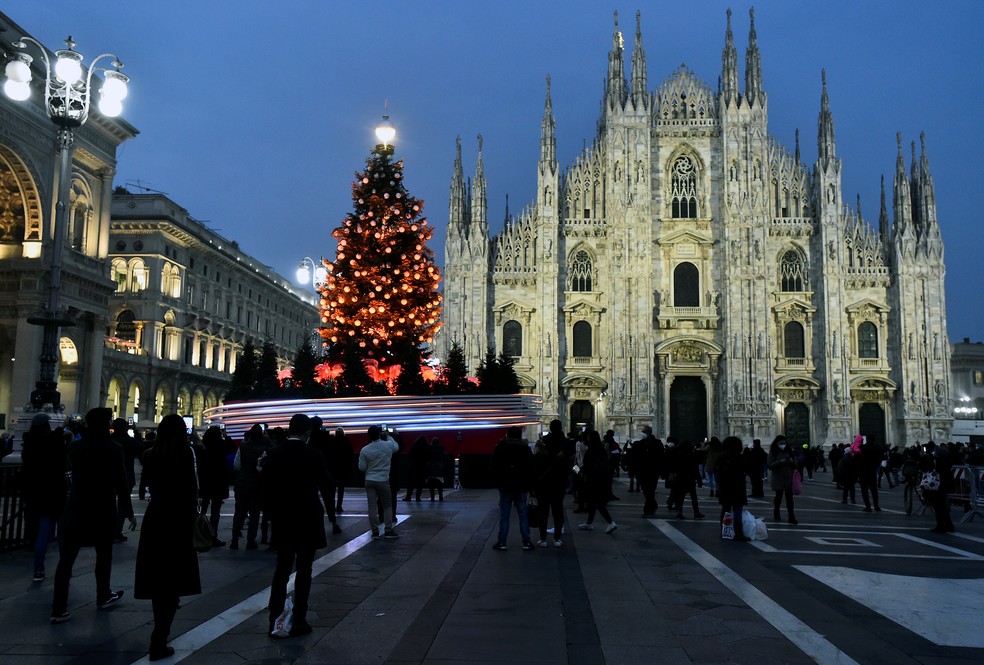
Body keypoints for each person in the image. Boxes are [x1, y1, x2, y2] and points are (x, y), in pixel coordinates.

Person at [51, 407, 135, 624]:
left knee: (66, 560)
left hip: (76, 507)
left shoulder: (74, 447)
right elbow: (122, 483)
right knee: (104, 556)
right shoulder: (113, 448)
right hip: (102, 508)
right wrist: (128, 512)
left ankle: (58, 608)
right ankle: (103, 594)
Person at [134, 414, 202, 661]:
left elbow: (148, 484)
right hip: (179, 519)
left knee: (157, 577)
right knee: (174, 578)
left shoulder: (149, 456)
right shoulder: (185, 455)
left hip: (156, 518)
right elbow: (193, 489)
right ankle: (159, 638)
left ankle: (159, 635)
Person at [262, 414, 335, 637]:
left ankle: (274, 618)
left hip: (283, 518)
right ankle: (299, 620)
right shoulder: (313, 454)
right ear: (307, 432)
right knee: (304, 570)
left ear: (289, 430)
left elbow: (264, 485)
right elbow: (327, 484)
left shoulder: (274, 454)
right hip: (307, 518)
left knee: (281, 570)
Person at [21, 413, 69, 582]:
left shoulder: (29, 442)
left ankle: (38, 570)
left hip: (36, 492)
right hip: (55, 492)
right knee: (63, 534)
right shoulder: (54, 442)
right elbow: (64, 462)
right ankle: (65, 569)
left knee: (42, 533)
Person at [491, 426, 535, 551]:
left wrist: (498, 482)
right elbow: (531, 468)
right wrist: (530, 485)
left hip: (505, 486)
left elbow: (494, 466)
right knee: (522, 513)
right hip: (521, 486)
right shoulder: (525, 449)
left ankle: (502, 542)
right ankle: (526, 541)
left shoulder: (501, 447)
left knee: (504, 514)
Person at [230, 424, 273, 549]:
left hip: (242, 483)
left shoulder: (243, 446)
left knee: (239, 513)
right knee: (254, 514)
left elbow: (236, 465)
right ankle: (250, 540)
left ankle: (234, 540)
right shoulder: (265, 448)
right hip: (256, 485)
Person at [359, 425, 400, 538]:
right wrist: (389, 436)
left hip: (369, 480)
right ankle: (388, 530)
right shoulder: (388, 445)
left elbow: (362, 467)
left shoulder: (365, 449)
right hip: (383, 480)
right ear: (379, 434)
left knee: (372, 506)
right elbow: (396, 447)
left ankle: (374, 531)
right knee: (387, 505)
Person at [533, 419, 570, 545]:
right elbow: (569, 464)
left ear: (550, 428)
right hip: (559, 481)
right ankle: (557, 538)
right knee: (557, 510)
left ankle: (543, 538)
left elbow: (537, 462)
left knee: (543, 510)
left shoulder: (544, 442)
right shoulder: (565, 443)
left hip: (544, 482)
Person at [199, 426, 235, 546]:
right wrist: (226, 436)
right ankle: (213, 536)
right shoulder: (222, 446)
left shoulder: (203, 446)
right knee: (215, 511)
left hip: (205, 481)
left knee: (202, 510)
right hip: (218, 482)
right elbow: (232, 448)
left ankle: (199, 533)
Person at [577, 430, 618, 534]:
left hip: (594, 480)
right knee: (592, 502)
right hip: (601, 479)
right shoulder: (600, 449)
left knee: (597, 502)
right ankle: (589, 522)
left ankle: (611, 522)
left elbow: (587, 467)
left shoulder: (592, 451)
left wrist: (577, 469)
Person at [717, 436, 751, 542]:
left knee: (725, 509)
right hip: (737, 487)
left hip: (725, 487)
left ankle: (724, 531)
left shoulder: (722, 457)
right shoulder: (739, 457)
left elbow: (717, 471)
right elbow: (746, 468)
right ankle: (738, 533)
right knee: (737, 510)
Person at [665, 438, 705, 520]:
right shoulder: (691, 455)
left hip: (680, 478)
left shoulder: (677, 455)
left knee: (681, 496)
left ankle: (679, 512)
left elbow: (673, 466)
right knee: (693, 497)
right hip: (690, 479)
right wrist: (699, 479)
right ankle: (696, 512)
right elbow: (695, 468)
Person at [924, 441, 956, 534]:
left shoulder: (939, 461)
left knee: (939, 505)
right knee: (941, 505)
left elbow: (934, 468)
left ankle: (942, 525)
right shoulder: (943, 458)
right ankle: (947, 525)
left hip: (940, 484)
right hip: (943, 483)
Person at [767, 435, 798, 524]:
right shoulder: (773, 452)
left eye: (784, 443)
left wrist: (792, 462)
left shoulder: (789, 451)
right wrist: (780, 462)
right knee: (778, 497)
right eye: (781, 443)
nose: (783, 445)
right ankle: (776, 514)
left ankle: (791, 517)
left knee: (790, 499)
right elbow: (770, 465)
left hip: (788, 478)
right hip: (778, 478)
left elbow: (796, 463)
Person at [634, 426, 663, 516]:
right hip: (642, 471)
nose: (642, 433)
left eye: (644, 432)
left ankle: (647, 510)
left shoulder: (657, 443)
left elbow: (661, 457)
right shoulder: (639, 444)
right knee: (645, 489)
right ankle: (653, 504)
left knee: (650, 489)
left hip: (653, 471)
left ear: (649, 433)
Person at [404, 435, 430, 501]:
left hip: (413, 467)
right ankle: (418, 497)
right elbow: (428, 458)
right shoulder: (426, 449)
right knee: (420, 484)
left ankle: (408, 496)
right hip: (422, 468)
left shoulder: (413, 448)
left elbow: (409, 456)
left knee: (411, 483)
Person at [425, 437, 446, 501]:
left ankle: (432, 498)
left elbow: (427, 458)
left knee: (431, 485)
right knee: (440, 486)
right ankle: (441, 497)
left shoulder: (429, 449)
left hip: (431, 468)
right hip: (439, 468)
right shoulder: (441, 448)